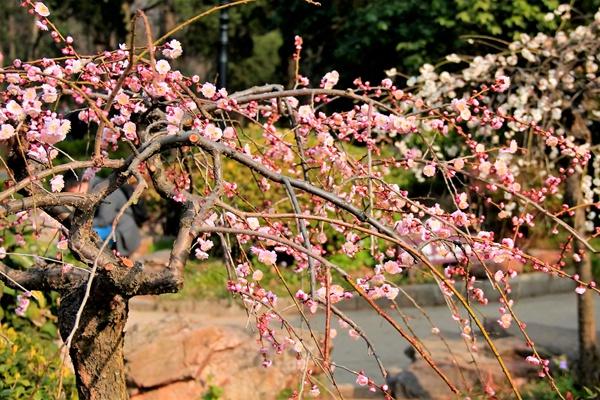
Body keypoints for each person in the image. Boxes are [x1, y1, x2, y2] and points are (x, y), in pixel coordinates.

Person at [63, 170, 141, 257]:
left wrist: (78, 224)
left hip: (122, 233)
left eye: (75, 194)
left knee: (84, 236)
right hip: (110, 229)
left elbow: (104, 220)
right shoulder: (90, 189)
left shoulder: (105, 190)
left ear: (83, 182)